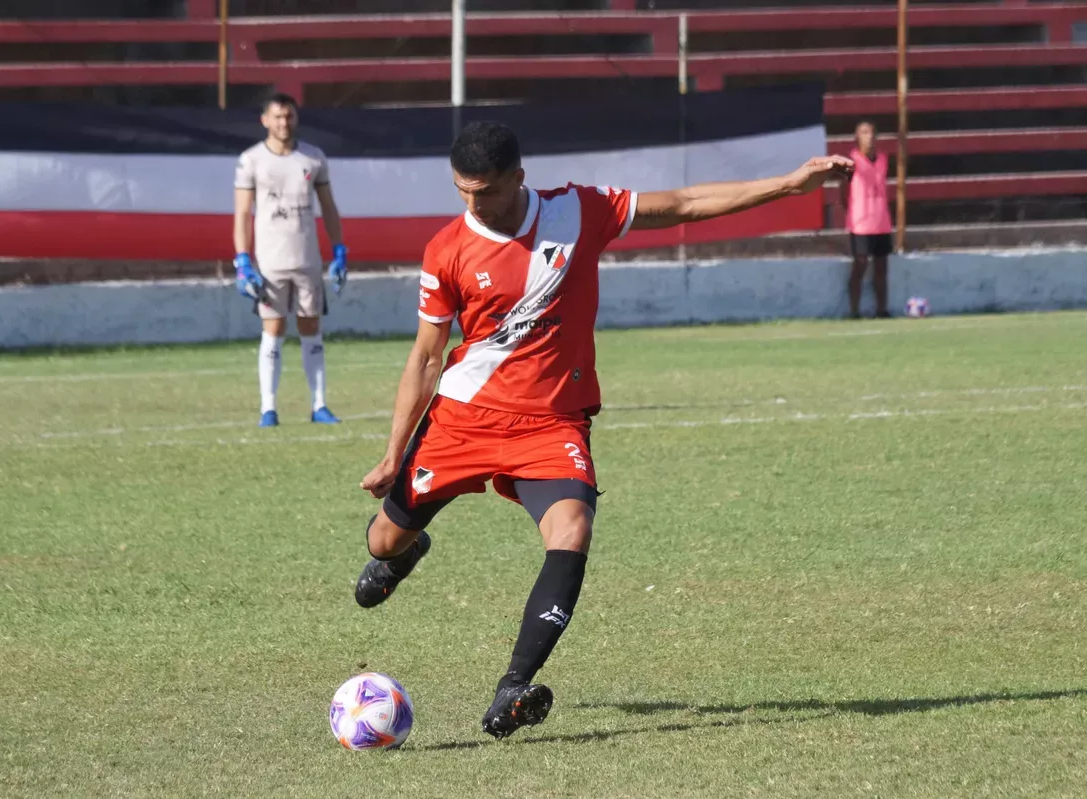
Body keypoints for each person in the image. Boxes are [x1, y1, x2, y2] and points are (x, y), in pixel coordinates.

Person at [351, 121, 852, 739]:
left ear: (518, 178)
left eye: (485, 191)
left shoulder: (579, 210)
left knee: (573, 528)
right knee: (382, 542)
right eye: (462, 191)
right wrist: (392, 454)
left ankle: (514, 686)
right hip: (464, 417)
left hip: (552, 420)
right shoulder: (447, 248)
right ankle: (404, 552)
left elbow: (686, 203)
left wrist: (789, 184)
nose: (473, 204)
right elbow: (427, 357)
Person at [233, 92, 347, 427]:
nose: (284, 123)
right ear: (265, 120)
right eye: (277, 117)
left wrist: (339, 250)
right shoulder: (251, 160)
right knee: (274, 328)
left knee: (311, 328)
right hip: (270, 263)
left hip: (307, 259)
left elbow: (328, 207)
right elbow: (242, 213)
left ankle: (319, 405)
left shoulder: (313, 158)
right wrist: (242, 260)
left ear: (296, 119)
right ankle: (268, 408)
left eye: (289, 116)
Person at [844, 120, 893, 319]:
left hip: (881, 220)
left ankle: (881, 310)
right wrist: (854, 211)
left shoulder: (883, 159)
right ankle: (854, 310)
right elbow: (842, 191)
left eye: (872, 133)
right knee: (860, 265)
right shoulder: (850, 161)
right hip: (861, 222)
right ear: (857, 137)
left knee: (881, 267)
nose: (869, 137)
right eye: (864, 133)